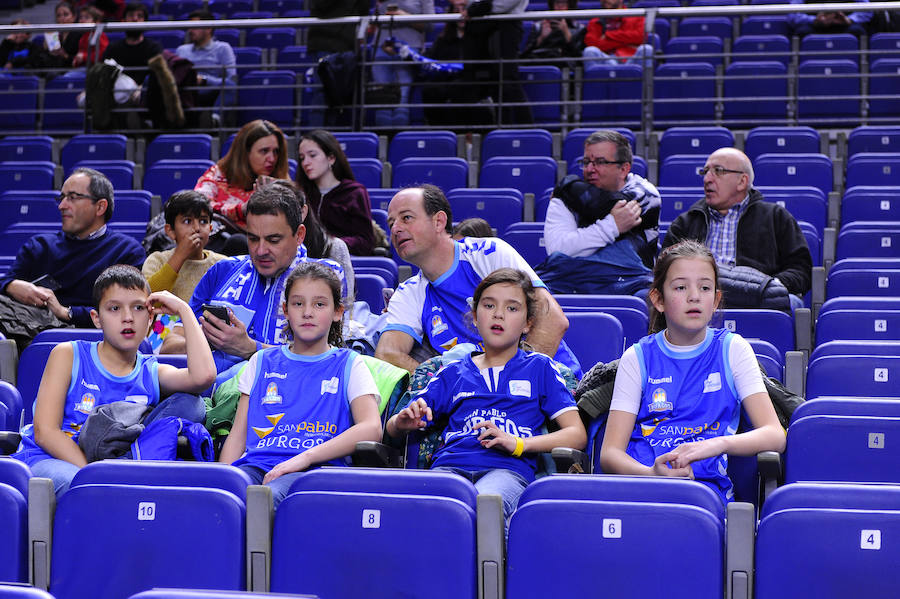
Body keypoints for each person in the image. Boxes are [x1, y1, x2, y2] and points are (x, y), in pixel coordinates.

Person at [387, 268, 586, 519]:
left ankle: (488, 561)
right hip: (449, 468)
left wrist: (519, 444)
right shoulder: (450, 372)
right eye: (489, 305)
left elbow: (576, 435)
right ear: (475, 316)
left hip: (506, 470)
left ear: (527, 324)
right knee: (429, 509)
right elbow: (394, 429)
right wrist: (402, 422)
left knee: (487, 504)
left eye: (512, 308)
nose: (499, 314)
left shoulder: (541, 368)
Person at [600, 240, 786, 503]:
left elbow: (775, 435)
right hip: (641, 488)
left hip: (703, 494)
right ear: (658, 299)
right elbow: (610, 454)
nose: (694, 296)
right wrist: (652, 474)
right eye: (680, 287)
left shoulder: (733, 349)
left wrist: (715, 445)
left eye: (705, 287)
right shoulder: (637, 357)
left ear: (715, 300)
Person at [12, 264, 217, 497]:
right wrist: (94, 474)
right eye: (114, 308)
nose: (127, 318)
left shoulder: (151, 370)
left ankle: (129, 469)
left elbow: (204, 377)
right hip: (56, 459)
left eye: (138, 308)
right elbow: (45, 431)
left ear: (150, 318)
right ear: (96, 319)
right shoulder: (68, 354)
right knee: (77, 485)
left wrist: (184, 310)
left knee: (192, 404)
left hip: (118, 465)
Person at [218, 262, 382, 506]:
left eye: (319, 304)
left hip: (314, 472)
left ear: (338, 312)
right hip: (255, 468)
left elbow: (371, 428)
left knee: (265, 499)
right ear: (285, 310)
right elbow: (238, 436)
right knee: (220, 499)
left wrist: (304, 458)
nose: (307, 312)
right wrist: (222, 481)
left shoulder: (350, 363)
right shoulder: (260, 361)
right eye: (297, 303)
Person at [375, 184, 572, 374]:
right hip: (474, 398)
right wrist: (441, 384)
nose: (395, 229)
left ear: (439, 222)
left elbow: (553, 320)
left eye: (406, 218)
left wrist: (514, 382)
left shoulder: (489, 253)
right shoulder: (409, 292)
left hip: (548, 382)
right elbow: (387, 354)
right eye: (391, 223)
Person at [189, 181, 346, 372]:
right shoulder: (222, 270)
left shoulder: (326, 276)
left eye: (273, 240)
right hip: (207, 391)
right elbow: (168, 341)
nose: (261, 250)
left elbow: (332, 360)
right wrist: (205, 340)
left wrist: (250, 349)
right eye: (253, 239)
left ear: (299, 235)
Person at [0, 168, 145, 344]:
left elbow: (126, 311)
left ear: (100, 207)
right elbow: (5, 284)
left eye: (73, 197)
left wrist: (65, 312)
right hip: (31, 332)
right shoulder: (39, 246)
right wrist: (12, 285)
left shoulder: (127, 251)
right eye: (61, 198)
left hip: (98, 342)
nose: (62, 206)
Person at [662, 147, 812, 310]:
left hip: (757, 296)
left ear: (742, 181)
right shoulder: (686, 222)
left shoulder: (776, 217)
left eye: (717, 171)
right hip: (697, 297)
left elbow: (801, 271)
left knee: (790, 302)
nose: (707, 179)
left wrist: (768, 286)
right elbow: (665, 268)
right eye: (705, 172)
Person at [537, 130, 659, 295]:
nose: (589, 169)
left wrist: (566, 185)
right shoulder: (564, 197)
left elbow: (607, 203)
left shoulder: (645, 195)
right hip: (570, 282)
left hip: (628, 283)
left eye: (600, 162)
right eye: (586, 161)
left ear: (624, 169)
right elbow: (559, 251)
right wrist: (612, 226)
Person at [195, 119, 289, 233]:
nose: (272, 159)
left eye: (276, 152)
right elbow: (199, 205)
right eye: (264, 151)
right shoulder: (217, 174)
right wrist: (240, 210)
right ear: (245, 153)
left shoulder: (280, 182)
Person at [296, 130, 376, 256]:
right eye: (302, 158)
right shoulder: (300, 193)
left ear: (331, 158)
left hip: (342, 260)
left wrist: (332, 244)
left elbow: (365, 241)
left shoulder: (354, 192)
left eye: (312, 155)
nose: (306, 162)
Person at [463, 0, 533, 125]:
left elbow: (504, 4)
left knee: (508, 79)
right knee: (494, 81)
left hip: (508, 26)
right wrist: (478, 6)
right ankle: (502, 129)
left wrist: (481, 7)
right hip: (486, 27)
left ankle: (526, 128)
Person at [372, 0, 434, 128]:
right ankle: (382, 142)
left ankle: (399, 143)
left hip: (409, 48)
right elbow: (375, 19)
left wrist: (404, 16)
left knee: (402, 97)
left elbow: (430, 24)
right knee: (382, 99)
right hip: (381, 46)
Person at [175, 9, 237, 111]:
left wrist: (204, 80)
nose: (190, 30)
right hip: (186, 91)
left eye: (195, 27)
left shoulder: (223, 48)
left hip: (211, 91)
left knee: (230, 86)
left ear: (208, 28)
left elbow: (231, 79)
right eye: (189, 27)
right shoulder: (182, 50)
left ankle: (215, 119)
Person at [421, 0, 466, 128]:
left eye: (463, 10)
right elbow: (431, 58)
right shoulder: (444, 39)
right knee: (430, 90)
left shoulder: (479, 38)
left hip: (469, 80)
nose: (461, 15)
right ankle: (438, 130)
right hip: (446, 79)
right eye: (456, 12)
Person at [101, 3, 162, 87]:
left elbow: (157, 78)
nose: (135, 19)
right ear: (123, 21)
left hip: (145, 94)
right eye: (131, 15)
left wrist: (141, 89)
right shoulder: (113, 48)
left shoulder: (153, 48)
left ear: (145, 22)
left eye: (139, 16)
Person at [581, 0, 654, 66]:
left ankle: (646, 81)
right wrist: (628, 42)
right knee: (590, 51)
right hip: (606, 60)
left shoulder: (636, 16)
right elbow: (591, 43)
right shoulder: (595, 22)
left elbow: (641, 37)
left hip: (631, 59)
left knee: (647, 49)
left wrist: (608, 35)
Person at [520, 0, 585, 66]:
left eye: (563, 2)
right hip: (542, 62)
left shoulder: (579, 28)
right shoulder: (539, 26)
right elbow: (524, 56)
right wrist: (541, 38)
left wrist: (566, 34)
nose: (560, 6)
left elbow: (580, 59)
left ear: (570, 5)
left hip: (565, 66)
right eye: (557, 2)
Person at [44, 2, 82, 69]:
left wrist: (65, 55)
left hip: (72, 68)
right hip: (54, 66)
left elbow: (80, 59)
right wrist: (46, 48)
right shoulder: (53, 33)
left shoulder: (79, 34)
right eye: (58, 15)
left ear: (74, 16)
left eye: (66, 14)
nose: (62, 18)